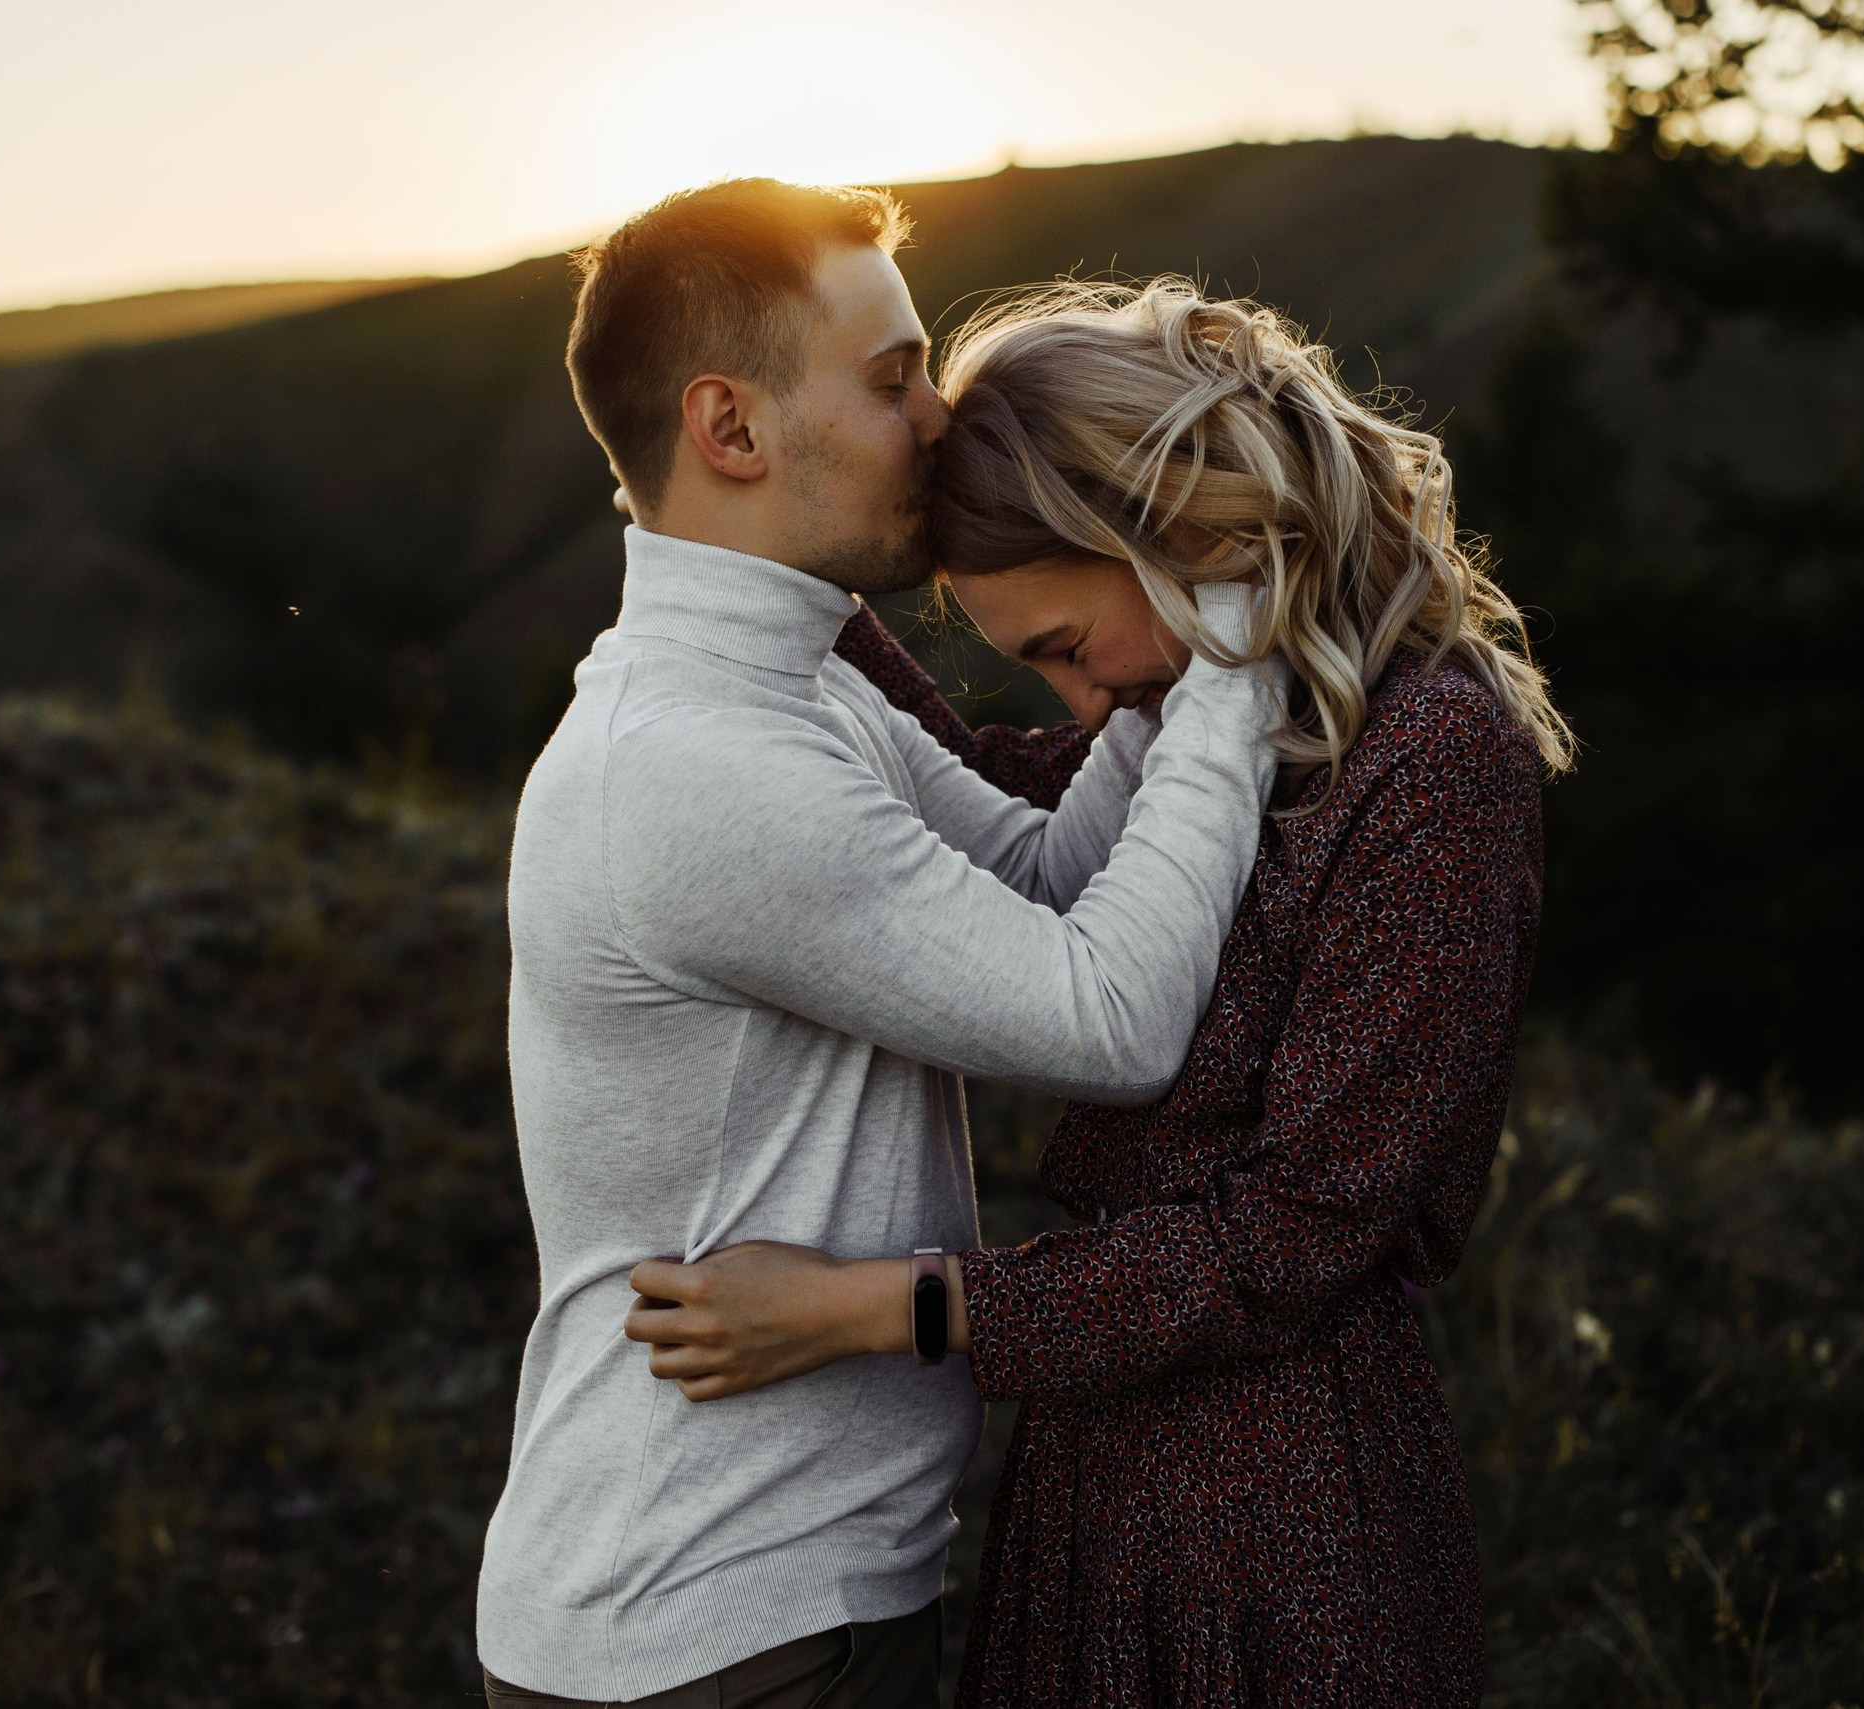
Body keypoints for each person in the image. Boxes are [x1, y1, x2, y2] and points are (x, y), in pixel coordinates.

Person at [621, 279, 1573, 1708]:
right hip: (1092, 1467)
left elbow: (1287, 1240)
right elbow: (998, 809)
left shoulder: (1432, 761)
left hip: (1287, 1499)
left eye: (1065, 649)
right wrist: (739, 548)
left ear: (1176, 530)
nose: (1081, 706)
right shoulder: (1189, 712)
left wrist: (885, 1309)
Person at [476, 180, 1287, 1709]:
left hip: (745, 1602)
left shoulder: (798, 698)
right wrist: (1239, 657)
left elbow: (1049, 878)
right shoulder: (708, 768)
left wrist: (1153, 659)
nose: (937, 418)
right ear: (733, 429)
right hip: (730, 1624)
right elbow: (1110, 1015)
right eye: (891, 377)